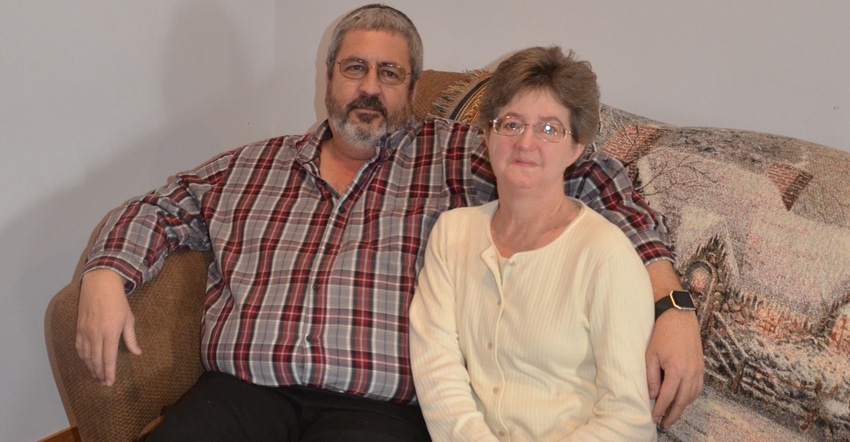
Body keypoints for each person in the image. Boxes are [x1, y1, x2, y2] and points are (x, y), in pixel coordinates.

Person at [74, 4, 702, 440]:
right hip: (244, 391)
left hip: (378, 411)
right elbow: (162, 206)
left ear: (413, 87)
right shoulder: (252, 165)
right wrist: (106, 274)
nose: (369, 88)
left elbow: (598, 184)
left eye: (390, 73)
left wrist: (671, 305)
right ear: (329, 78)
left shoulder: (459, 153)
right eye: (355, 68)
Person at [410, 46, 656, 441]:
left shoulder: (606, 255)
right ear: (487, 134)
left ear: (576, 147)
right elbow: (438, 375)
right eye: (511, 124)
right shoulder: (451, 235)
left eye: (548, 129)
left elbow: (627, 420)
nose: (526, 143)